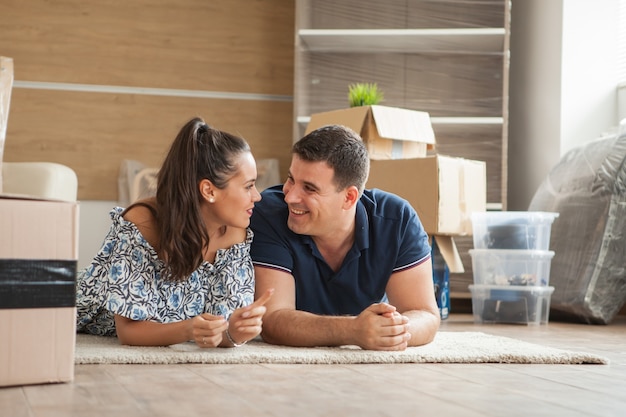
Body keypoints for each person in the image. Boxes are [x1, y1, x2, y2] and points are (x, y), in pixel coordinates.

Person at [76, 117, 273, 348]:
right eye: (248, 186)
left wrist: (235, 332)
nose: (257, 196)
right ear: (209, 190)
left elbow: (220, 331)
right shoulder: (143, 223)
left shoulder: (236, 235)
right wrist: (189, 328)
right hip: (73, 310)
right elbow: (129, 332)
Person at [249, 124, 440, 351]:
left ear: (349, 198)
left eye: (309, 188)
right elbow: (272, 321)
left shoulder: (396, 219)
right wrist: (353, 330)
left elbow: (426, 314)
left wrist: (391, 330)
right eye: (291, 179)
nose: (290, 196)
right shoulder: (268, 213)